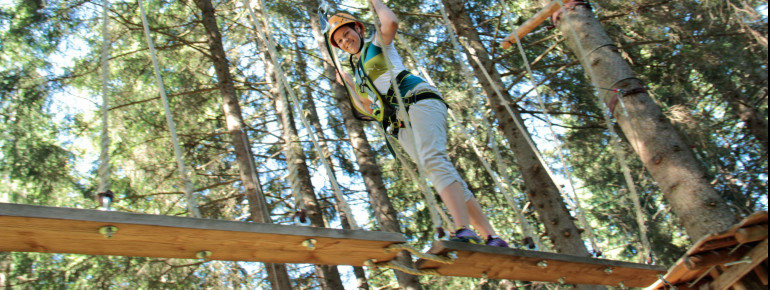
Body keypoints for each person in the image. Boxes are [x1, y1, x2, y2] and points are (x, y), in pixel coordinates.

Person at [326, 0, 508, 247]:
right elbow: (368, 108)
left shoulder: (376, 44)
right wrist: (346, 81)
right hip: (398, 120)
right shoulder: (357, 73)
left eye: (348, 33)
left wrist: (374, 2)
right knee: (435, 169)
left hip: (417, 100)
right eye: (340, 40)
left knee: (433, 159)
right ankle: (492, 237)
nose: (346, 40)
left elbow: (390, 22)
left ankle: (463, 229)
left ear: (358, 29)